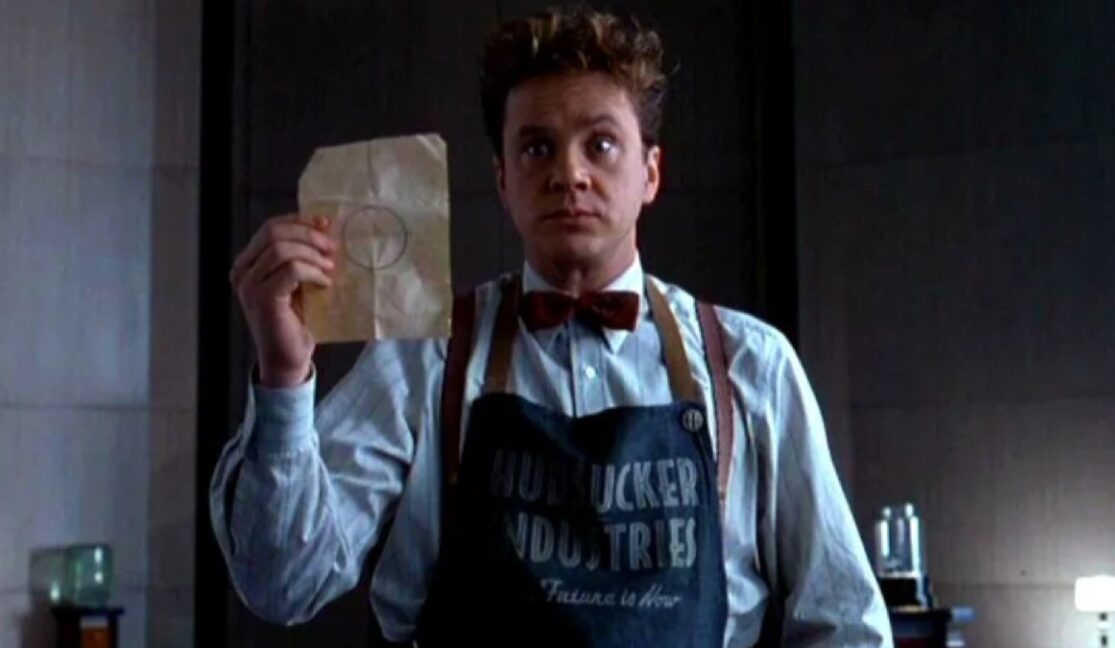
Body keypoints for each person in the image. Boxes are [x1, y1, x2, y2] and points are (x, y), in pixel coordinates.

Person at [211, 6, 891, 647]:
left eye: (601, 144)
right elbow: (281, 584)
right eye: (538, 148)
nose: (570, 173)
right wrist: (283, 376)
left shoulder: (751, 363)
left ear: (650, 173)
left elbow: (845, 625)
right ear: (503, 179)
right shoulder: (424, 359)